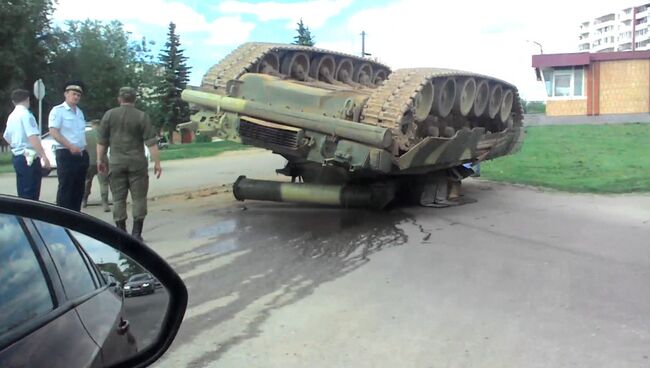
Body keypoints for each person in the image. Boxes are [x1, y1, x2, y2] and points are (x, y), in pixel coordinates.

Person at [97, 87, 162, 241]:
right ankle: (137, 234)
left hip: (116, 163)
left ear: (119, 99)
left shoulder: (109, 115)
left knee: (118, 199)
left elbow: (102, 141)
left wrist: (100, 160)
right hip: (137, 164)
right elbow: (151, 143)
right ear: (135, 99)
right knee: (139, 198)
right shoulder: (142, 116)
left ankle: (121, 233)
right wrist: (157, 163)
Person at [3, 89, 51, 200]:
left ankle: (23, 216)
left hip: (18, 156)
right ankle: (31, 216)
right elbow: (32, 137)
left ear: (13, 102)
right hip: (29, 156)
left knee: (23, 191)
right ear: (27, 99)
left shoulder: (12, 116)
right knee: (32, 191)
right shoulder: (26, 115)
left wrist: (17, 145)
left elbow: (6, 136)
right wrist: (43, 156)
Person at [48, 81, 89, 211]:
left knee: (78, 188)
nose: (76, 97)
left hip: (80, 154)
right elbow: (53, 131)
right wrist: (70, 146)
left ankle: (75, 217)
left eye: (78, 95)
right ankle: (63, 217)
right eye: (73, 94)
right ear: (66, 94)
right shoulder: (58, 111)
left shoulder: (79, 112)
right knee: (66, 187)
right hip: (66, 153)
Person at [82, 119, 110, 212]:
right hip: (103, 161)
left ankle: (84, 201)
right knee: (104, 183)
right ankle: (105, 204)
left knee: (87, 182)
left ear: (92, 125)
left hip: (88, 162)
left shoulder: (85, 134)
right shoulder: (104, 134)